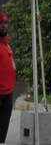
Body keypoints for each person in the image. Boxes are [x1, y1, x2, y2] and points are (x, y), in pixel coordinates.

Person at [0, 12, 15, 144]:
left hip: (8, 92)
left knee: (3, 124)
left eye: (5, 23)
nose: (4, 26)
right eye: (1, 23)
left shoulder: (6, 45)